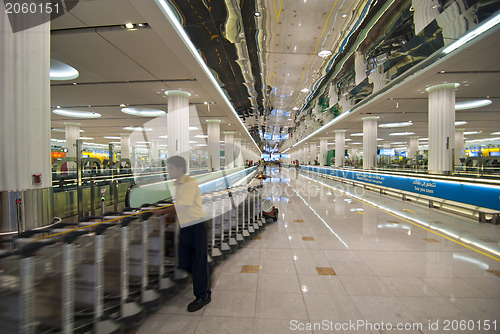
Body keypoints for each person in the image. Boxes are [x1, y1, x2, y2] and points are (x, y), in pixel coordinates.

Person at [154, 156, 211, 312]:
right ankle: (205, 272)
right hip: (185, 226)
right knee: (184, 262)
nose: (169, 171)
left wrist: (162, 212)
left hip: (197, 225)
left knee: (198, 262)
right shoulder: (176, 184)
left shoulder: (190, 183)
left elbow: (182, 205)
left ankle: (203, 296)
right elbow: (179, 205)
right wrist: (170, 216)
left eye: (171, 168)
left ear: (179, 169)